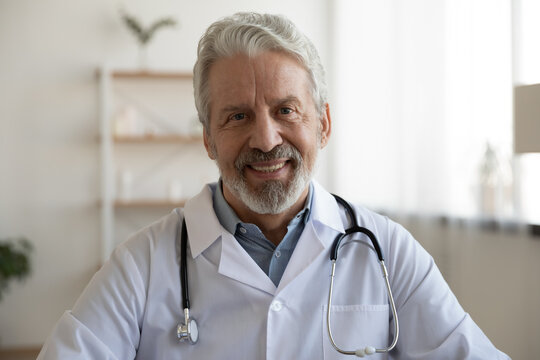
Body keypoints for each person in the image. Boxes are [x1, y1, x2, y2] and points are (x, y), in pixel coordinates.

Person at [38, 12, 510, 359]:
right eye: (237, 116)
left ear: (323, 123)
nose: (265, 139)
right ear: (208, 138)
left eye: (286, 110)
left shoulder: (388, 251)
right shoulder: (140, 266)